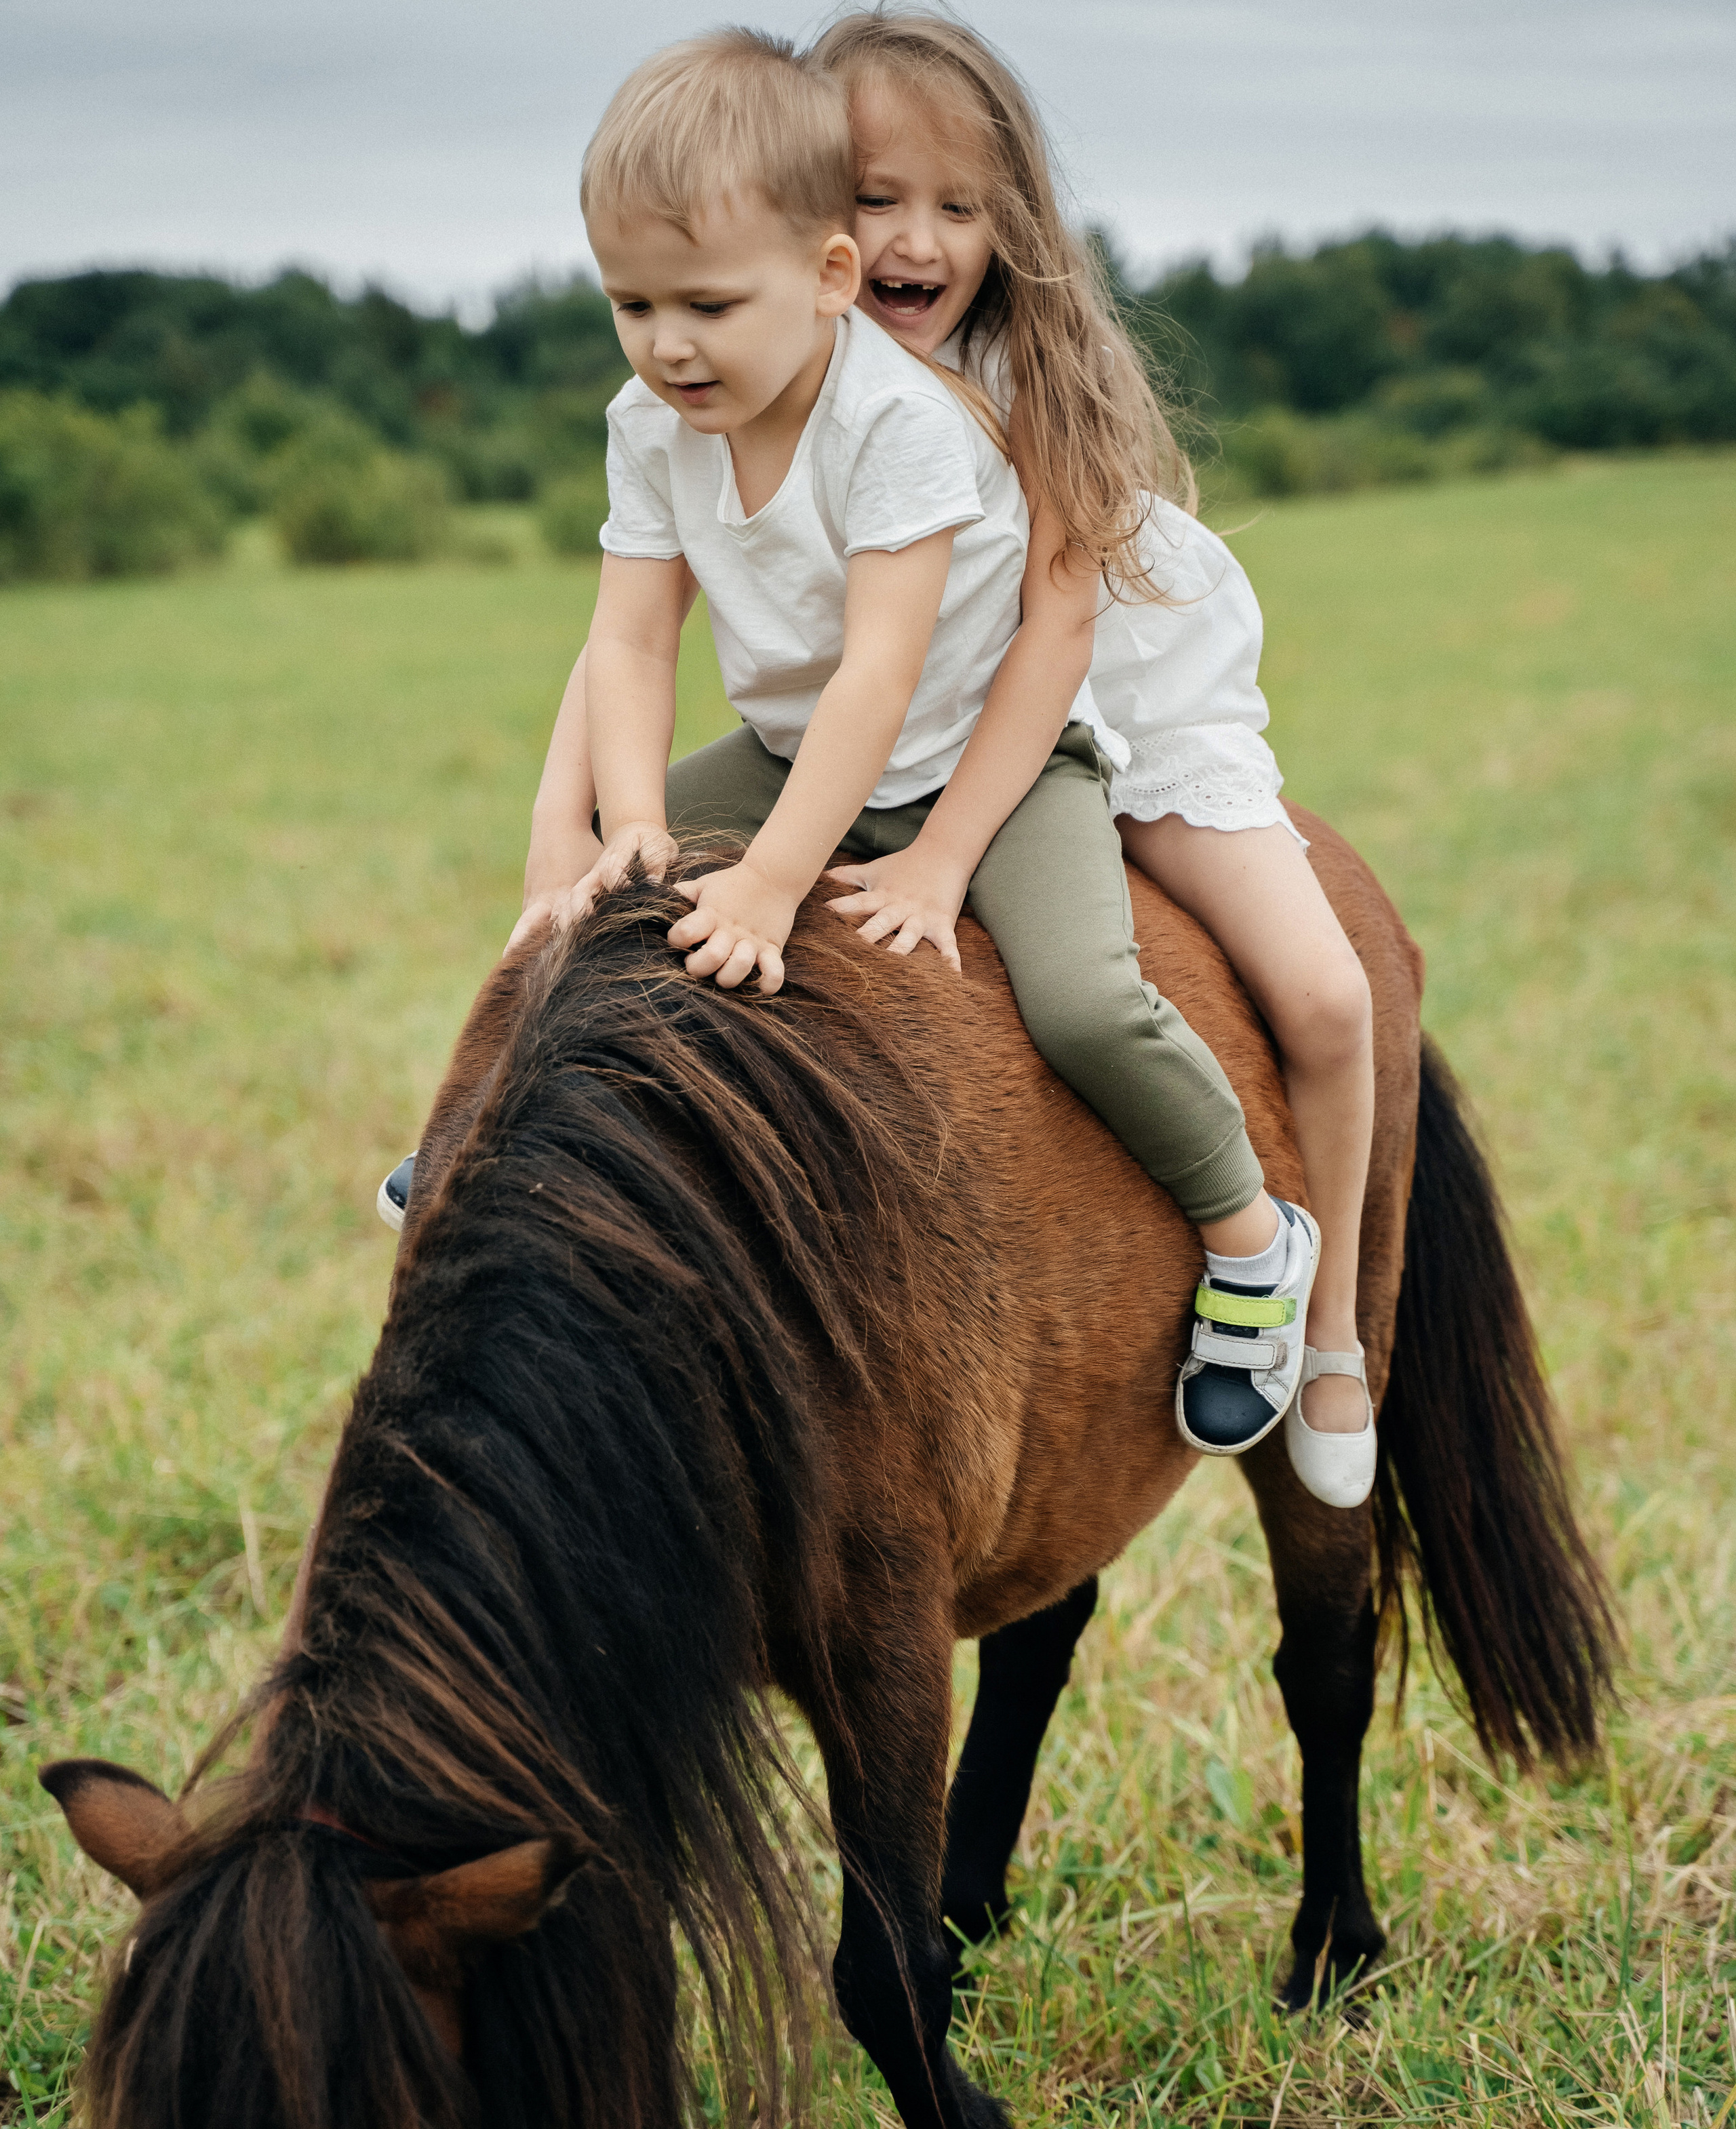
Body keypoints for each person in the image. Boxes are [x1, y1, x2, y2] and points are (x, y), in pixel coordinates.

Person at [382, 26, 1326, 1476]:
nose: (667, 344)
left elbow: (883, 676)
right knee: (565, 920)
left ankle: (1249, 1238)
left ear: (823, 282)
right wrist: (620, 826)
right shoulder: (653, 418)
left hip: (976, 769)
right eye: (630, 305)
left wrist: (776, 884)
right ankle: (477, 1159)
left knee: (1083, 999)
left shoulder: (898, 428)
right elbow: (627, 641)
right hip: (787, 748)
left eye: (703, 303)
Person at [799, 9, 1380, 1510]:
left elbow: (1054, 645)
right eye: (874, 198)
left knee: (1321, 996)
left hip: (1116, 712)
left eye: (958, 205)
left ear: (1013, 222)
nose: (915, 238)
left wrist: (936, 856)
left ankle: (1324, 1335)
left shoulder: (1028, 372)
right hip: (917, 733)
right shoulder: (785, 364)